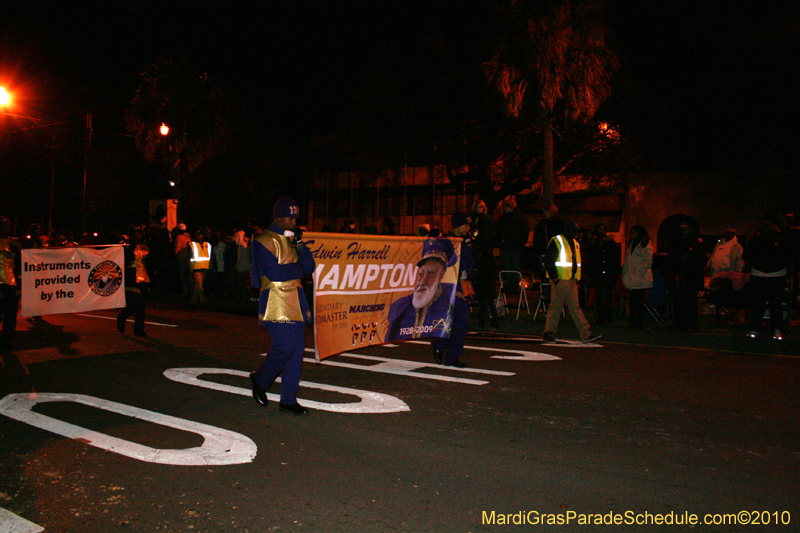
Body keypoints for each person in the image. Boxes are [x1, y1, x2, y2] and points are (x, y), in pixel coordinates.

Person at [249, 197, 316, 415]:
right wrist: (299, 268)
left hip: (296, 298)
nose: (294, 222)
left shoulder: (294, 239)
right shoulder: (262, 240)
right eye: (290, 217)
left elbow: (310, 265)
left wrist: (298, 245)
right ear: (278, 217)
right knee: (284, 347)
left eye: (296, 217)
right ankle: (260, 379)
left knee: (296, 351)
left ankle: (288, 398)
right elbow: (276, 273)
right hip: (276, 300)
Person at [386, 238, 458, 344]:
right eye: (421, 274)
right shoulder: (400, 308)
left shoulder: (449, 300)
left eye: (431, 273)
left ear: (441, 275)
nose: (423, 281)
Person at [542, 220, 600, 344]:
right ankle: (550, 332)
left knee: (572, 307)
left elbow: (575, 263)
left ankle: (585, 333)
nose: (575, 233)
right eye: (573, 231)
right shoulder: (558, 241)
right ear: (567, 230)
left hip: (569, 280)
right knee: (558, 307)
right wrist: (555, 278)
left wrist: (576, 279)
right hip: (561, 279)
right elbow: (549, 261)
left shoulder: (574, 243)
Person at [430, 213, 474, 368]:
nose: (468, 228)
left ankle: (444, 348)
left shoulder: (464, 241)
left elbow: (468, 267)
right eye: (465, 225)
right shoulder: (449, 243)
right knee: (461, 322)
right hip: (453, 286)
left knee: (457, 322)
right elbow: (449, 268)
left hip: (461, 284)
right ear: (457, 225)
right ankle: (447, 351)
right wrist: (455, 288)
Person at [743, 215, 792, 339]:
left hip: (777, 274)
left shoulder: (782, 239)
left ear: (775, 226)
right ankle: (754, 328)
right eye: (764, 225)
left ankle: (776, 328)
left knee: (775, 304)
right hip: (758, 274)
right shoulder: (756, 239)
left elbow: (789, 256)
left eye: (768, 225)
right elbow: (747, 254)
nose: (766, 227)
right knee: (757, 303)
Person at [669, 217, 705, 332]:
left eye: (685, 227)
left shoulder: (695, 242)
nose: (683, 229)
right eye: (682, 227)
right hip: (679, 273)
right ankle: (680, 321)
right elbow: (674, 257)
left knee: (689, 301)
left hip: (690, 275)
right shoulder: (678, 240)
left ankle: (691, 323)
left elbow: (697, 260)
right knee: (678, 299)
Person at [471, 200, 500, 331]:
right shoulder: (477, 221)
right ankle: (489, 322)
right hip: (484, 272)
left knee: (486, 298)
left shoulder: (484, 249)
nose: (479, 210)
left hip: (485, 272)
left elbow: (482, 236)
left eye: (481, 207)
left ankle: (490, 322)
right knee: (485, 299)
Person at [117, 225, 151, 337]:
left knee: (142, 304)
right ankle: (123, 316)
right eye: (136, 233)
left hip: (143, 278)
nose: (138, 235)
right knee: (134, 303)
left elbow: (148, 262)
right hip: (131, 277)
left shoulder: (144, 246)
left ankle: (139, 329)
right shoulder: (125, 246)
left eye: (140, 233)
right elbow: (123, 261)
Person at [586, 223, 620, 324]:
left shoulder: (610, 243)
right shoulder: (594, 244)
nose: (601, 232)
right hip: (598, 274)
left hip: (608, 274)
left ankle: (608, 316)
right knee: (599, 296)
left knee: (608, 295)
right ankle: (601, 316)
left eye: (603, 230)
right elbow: (591, 259)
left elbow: (614, 257)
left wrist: (614, 271)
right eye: (599, 230)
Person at [621, 225, 653, 329]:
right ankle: (633, 321)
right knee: (633, 301)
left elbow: (647, 262)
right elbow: (627, 259)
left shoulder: (646, 245)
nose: (631, 233)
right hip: (631, 277)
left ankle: (638, 322)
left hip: (641, 278)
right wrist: (625, 272)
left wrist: (638, 273)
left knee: (638, 302)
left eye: (633, 232)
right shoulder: (631, 244)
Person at [0, 216, 21, 350]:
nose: (6, 227)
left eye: (7, 225)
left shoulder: (13, 245)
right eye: (3, 225)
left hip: (10, 284)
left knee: (10, 313)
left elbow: (19, 265)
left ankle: (7, 340)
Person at [495, 195, 529, 273]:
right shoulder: (518, 217)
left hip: (512, 247)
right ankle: (512, 283)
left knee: (511, 267)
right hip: (512, 247)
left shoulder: (508, 218)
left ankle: (512, 283)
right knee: (512, 267)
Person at [189, 229, 211, 307]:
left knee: (198, 286)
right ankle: (204, 300)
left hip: (205, 268)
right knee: (199, 285)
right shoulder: (192, 245)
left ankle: (193, 301)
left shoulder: (207, 245)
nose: (199, 236)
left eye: (201, 235)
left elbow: (211, 256)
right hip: (196, 268)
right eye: (198, 235)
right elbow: (188, 256)